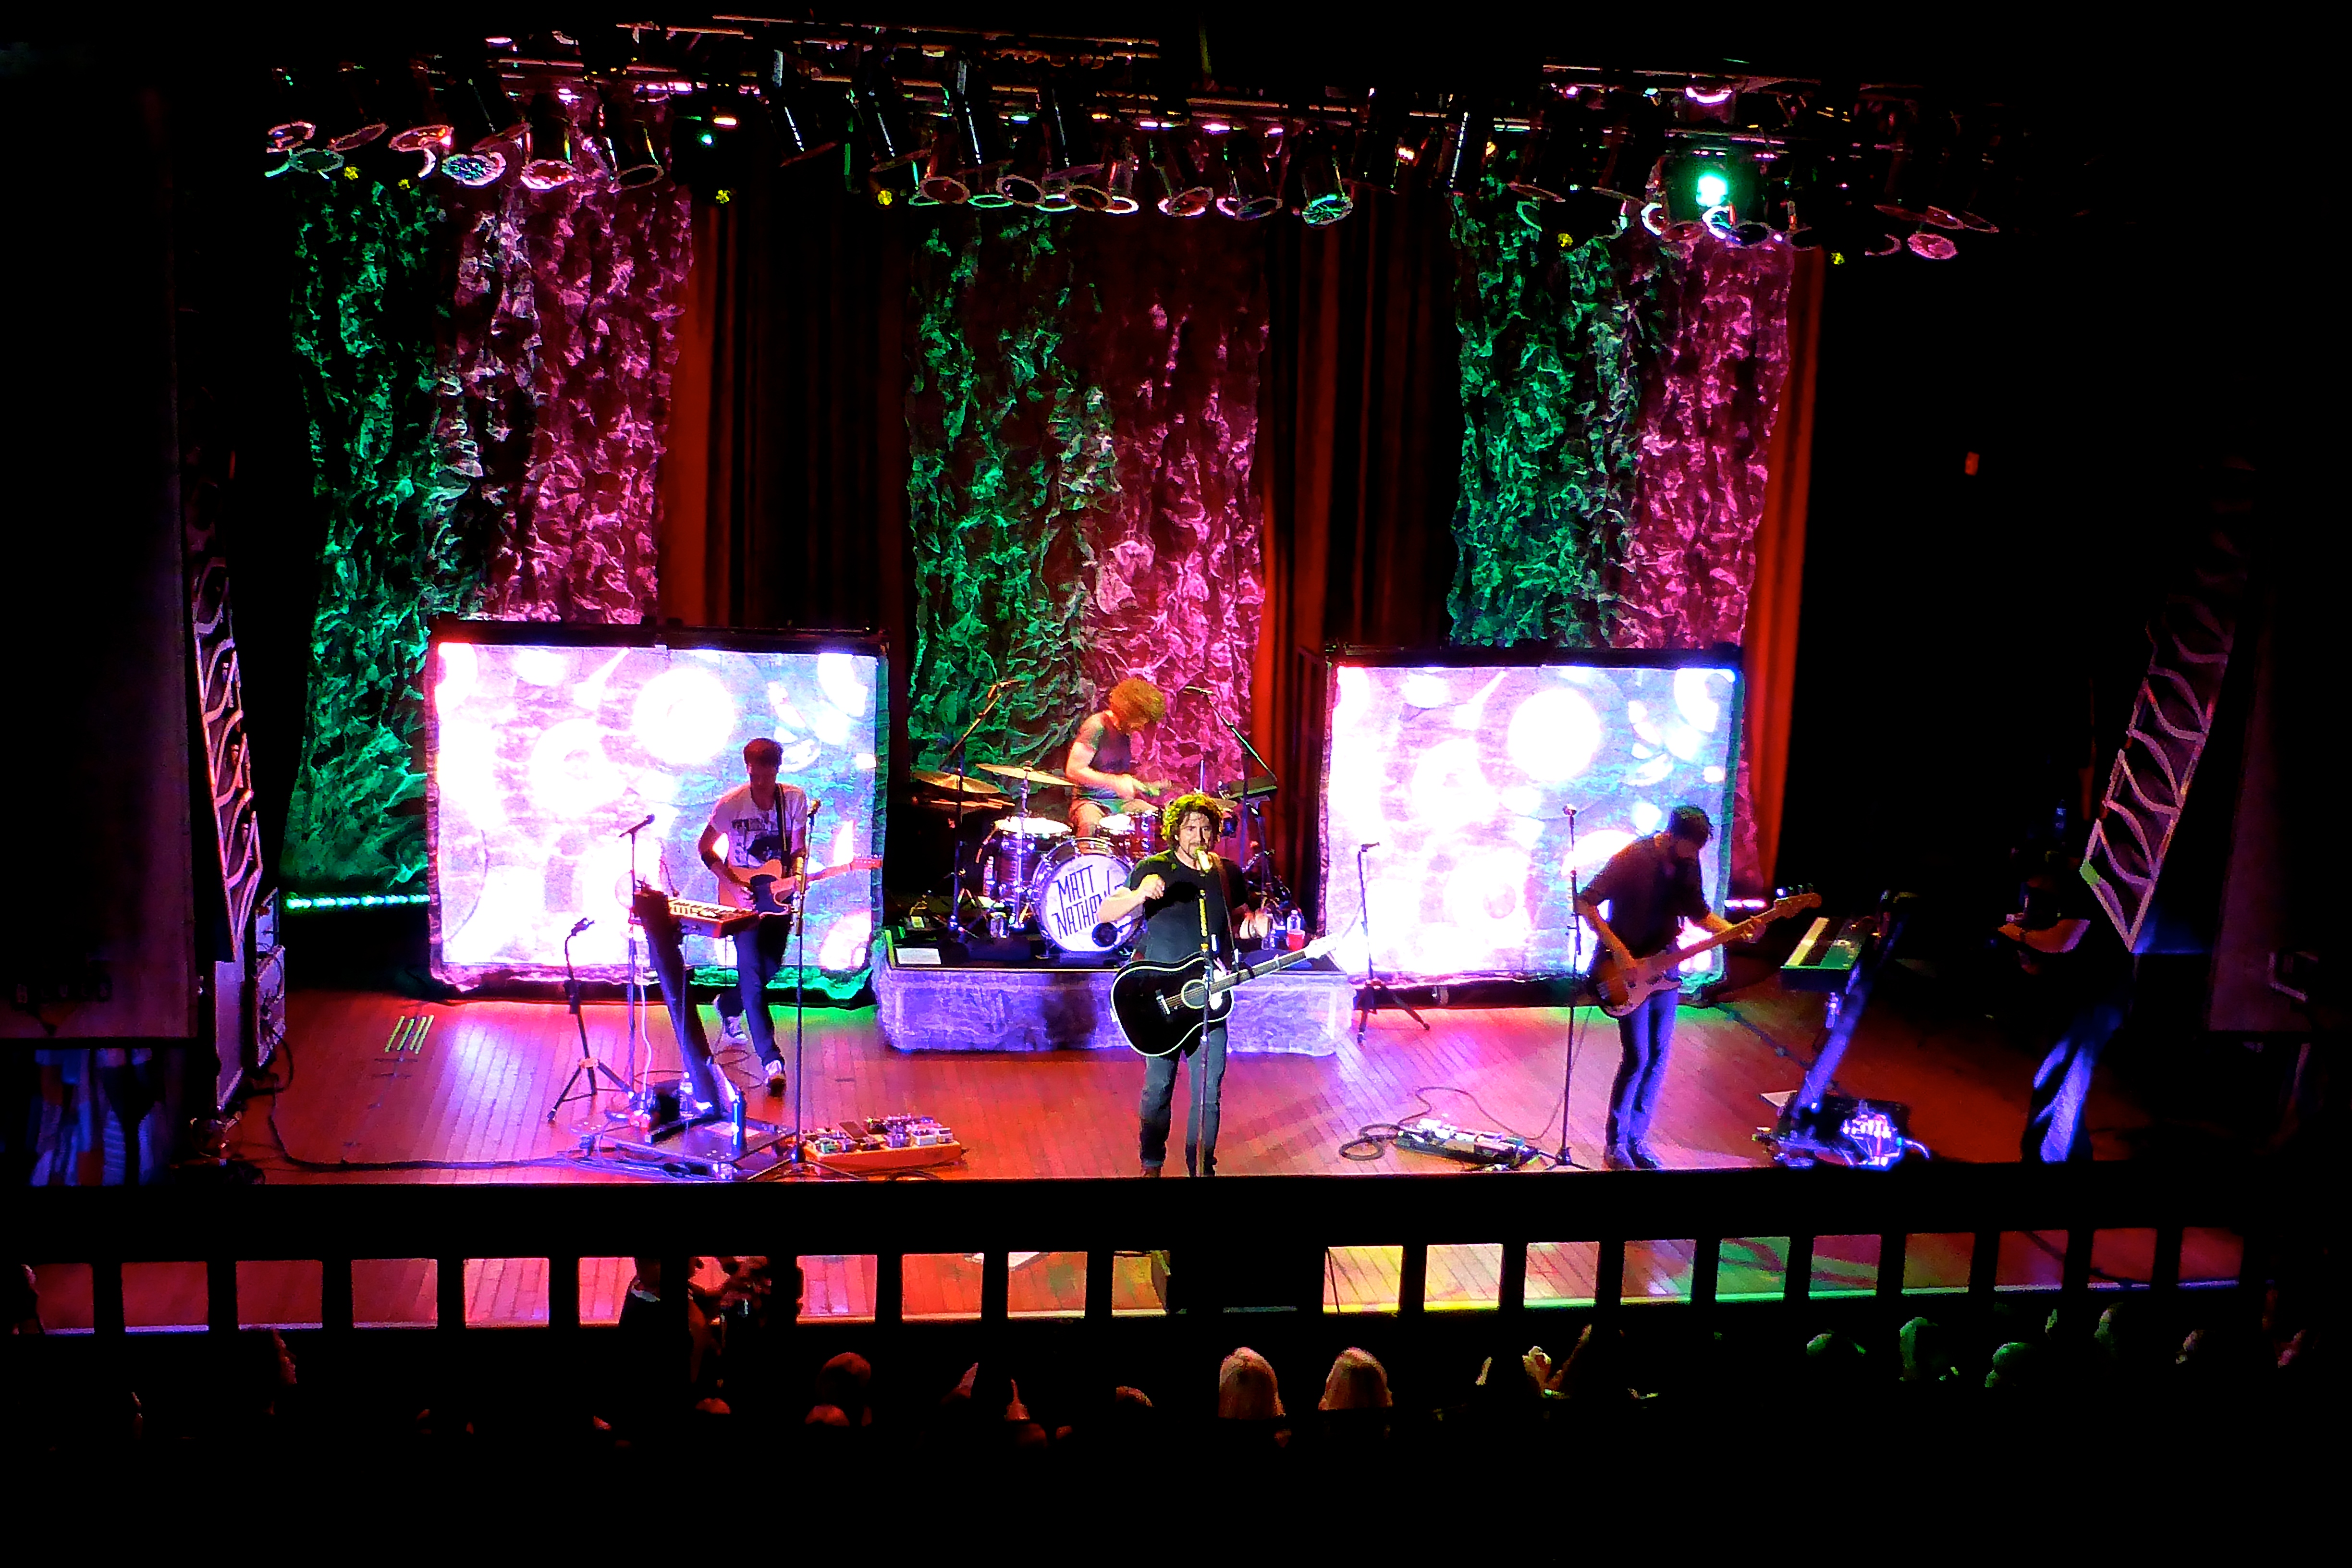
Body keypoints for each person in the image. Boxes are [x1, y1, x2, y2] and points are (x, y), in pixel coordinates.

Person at [1094, 793, 1270, 1176]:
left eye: (1206, 829)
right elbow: (1106, 912)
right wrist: (1140, 894)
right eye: (1191, 828)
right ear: (1175, 832)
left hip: (1209, 997)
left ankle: (1201, 1169)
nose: (1199, 837)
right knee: (1159, 1087)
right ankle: (1152, 1163)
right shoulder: (1153, 868)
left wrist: (1254, 927)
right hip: (1161, 999)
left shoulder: (1226, 872)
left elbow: (1237, 923)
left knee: (1209, 1092)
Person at [1574, 805, 1735, 1169]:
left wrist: (1736, 931)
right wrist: (1619, 951)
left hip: (1666, 965)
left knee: (1659, 1056)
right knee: (1638, 1057)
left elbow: (1698, 913)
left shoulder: (1687, 862)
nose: (1694, 855)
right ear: (1673, 836)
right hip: (1626, 969)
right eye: (1690, 847)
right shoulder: (1633, 858)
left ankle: (1637, 1140)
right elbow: (1585, 901)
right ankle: (1615, 1146)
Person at [1997, 848, 2131, 1163]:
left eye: (2041, 883)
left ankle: (2045, 1159)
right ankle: (2070, 1156)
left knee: (2059, 1082)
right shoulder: (2062, 885)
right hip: (2078, 995)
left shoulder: (2084, 879)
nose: (2039, 890)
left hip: (2097, 996)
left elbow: (2063, 941)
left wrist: (2019, 934)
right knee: (2063, 1083)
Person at [696, 738, 808, 1094]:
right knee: (754, 976)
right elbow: (705, 847)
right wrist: (730, 883)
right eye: (753, 775)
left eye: (765, 776)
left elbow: (799, 848)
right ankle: (772, 1061)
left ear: (777, 770)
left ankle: (729, 1004)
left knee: (770, 967)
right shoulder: (731, 804)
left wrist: (799, 877)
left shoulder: (794, 800)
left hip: (778, 894)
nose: (759, 782)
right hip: (741, 899)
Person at [1064, 677, 1176, 837]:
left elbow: (1119, 777)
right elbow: (1074, 769)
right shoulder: (1096, 726)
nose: (1141, 728)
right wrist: (1114, 782)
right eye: (1140, 722)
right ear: (1127, 712)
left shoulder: (1124, 734)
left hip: (1120, 803)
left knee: (1157, 820)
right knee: (1091, 825)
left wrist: (1148, 787)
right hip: (1090, 802)